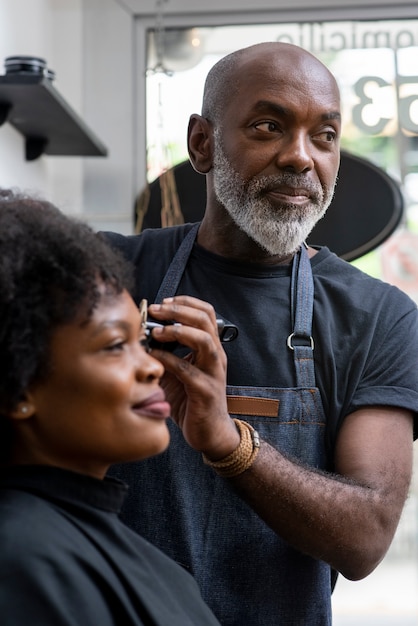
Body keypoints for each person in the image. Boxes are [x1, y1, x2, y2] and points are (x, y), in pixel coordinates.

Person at [104, 42, 418, 625]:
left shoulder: (380, 317)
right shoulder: (112, 276)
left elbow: (366, 538)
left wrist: (227, 441)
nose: (301, 157)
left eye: (324, 136)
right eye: (269, 126)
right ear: (203, 144)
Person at [0, 188, 225, 626]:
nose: (152, 369)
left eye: (142, 342)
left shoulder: (142, 561)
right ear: (17, 390)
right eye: (115, 346)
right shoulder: (24, 562)